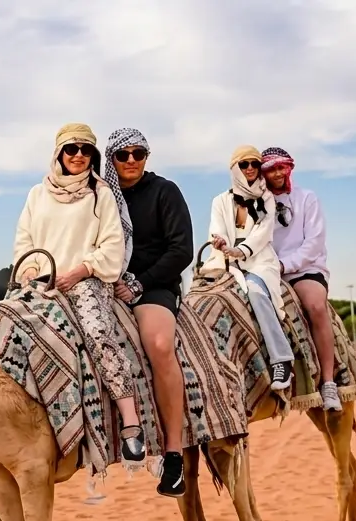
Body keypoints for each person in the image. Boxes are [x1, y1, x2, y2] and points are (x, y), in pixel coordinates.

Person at [13, 123, 145, 462]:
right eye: (72, 148)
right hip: (40, 280)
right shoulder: (36, 194)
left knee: (98, 332)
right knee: (4, 326)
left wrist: (80, 271)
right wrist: (29, 272)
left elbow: (112, 247)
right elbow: (24, 241)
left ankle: (130, 420)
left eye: (86, 150)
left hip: (86, 279)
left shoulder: (101, 194)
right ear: (59, 152)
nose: (79, 155)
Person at [104, 128, 193, 496]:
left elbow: (181, 249)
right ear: (110, 158)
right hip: (103, 281)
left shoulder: (164, 191)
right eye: (122, 155)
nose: (130, 161)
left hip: (153, 285)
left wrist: (140, 283)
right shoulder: (100, 196)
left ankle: (173, 454)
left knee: (158, 344)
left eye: (138, 154)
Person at [199, 145, 294, 390]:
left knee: (256, 292)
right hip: (225, 260)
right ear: (235, 168)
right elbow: (216, 228)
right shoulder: (220, 201)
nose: (250, 168)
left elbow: (264, 233)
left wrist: (241, 251)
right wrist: (220, 242)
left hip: (259, 261)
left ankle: (281, 359)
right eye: (244, 164)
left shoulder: (267, 199)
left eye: (254, 163)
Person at [261, 146, 341, 411]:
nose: (277, 173)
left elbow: (314, 243)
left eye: (280, 167)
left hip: (305, 269)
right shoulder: (258, 204)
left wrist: (285, 265)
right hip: (271, 272)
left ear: (289, 168)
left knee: (316, 306)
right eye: (271, 168)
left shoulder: (307, 198)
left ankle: (329, 382)